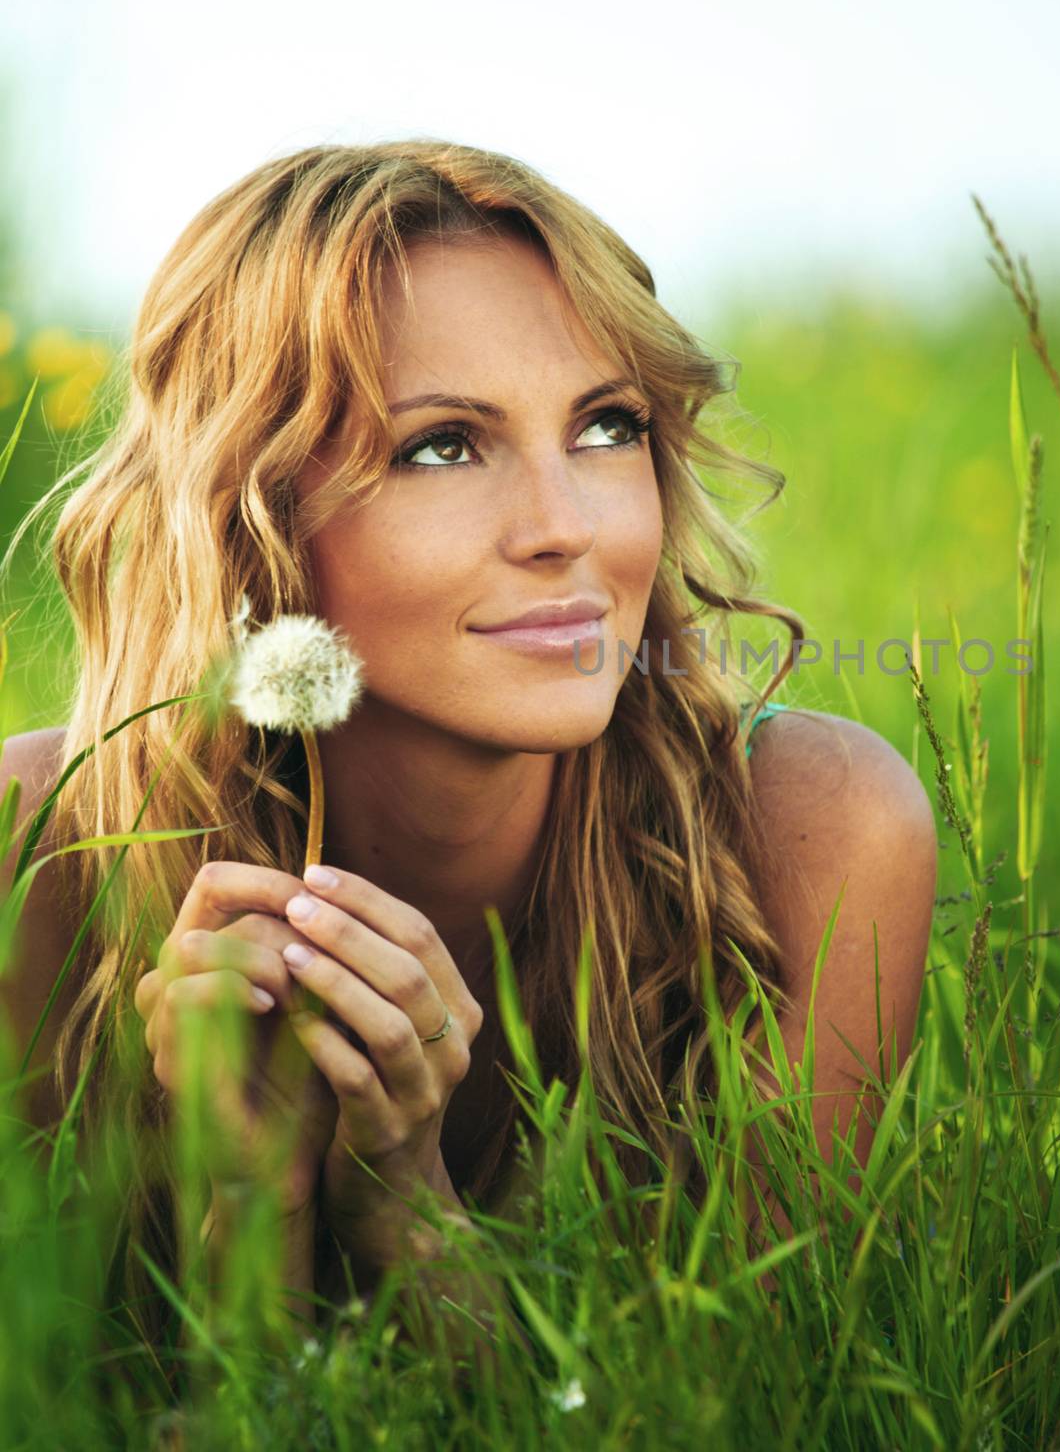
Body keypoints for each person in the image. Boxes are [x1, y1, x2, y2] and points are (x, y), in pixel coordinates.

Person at [0, 139, 938, 1357]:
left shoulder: (807, 833)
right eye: (442, 445)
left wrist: (408, 1205)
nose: (567, 528)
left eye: (606, 427)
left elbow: (740, 1409)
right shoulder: (41, 863)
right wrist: (249, 1209)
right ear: (249, 511)